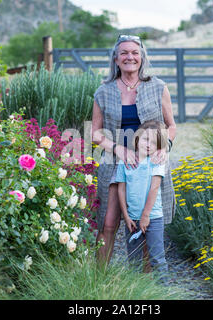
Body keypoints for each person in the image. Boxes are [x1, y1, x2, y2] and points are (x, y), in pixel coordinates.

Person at [91, 34, 176, 265]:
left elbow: (171, 126)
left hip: (149, 163)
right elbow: (95, 133)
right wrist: (119, 149)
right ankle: (100, 279)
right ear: (116, 59)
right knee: (108, 223)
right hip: (114, 161)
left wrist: (164, 147)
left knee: (145, 222)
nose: (130, 57)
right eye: (125, 53)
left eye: (135, 52)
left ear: (142, 57)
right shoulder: (103, 91)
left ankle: (144, 285)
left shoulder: (158, 87)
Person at [116, 120, 169, 277]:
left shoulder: (156, 161)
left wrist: (145, 216)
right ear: (138, 138)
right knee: (134, 260)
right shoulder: (125, 162)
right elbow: (121, 188)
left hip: (153, 218)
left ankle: (163, 292)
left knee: (157, 258)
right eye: (146, 139)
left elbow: (154, 188)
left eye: (153, 143)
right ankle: (137, 292)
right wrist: (126, 216)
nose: (148, 145)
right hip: (132, 219)